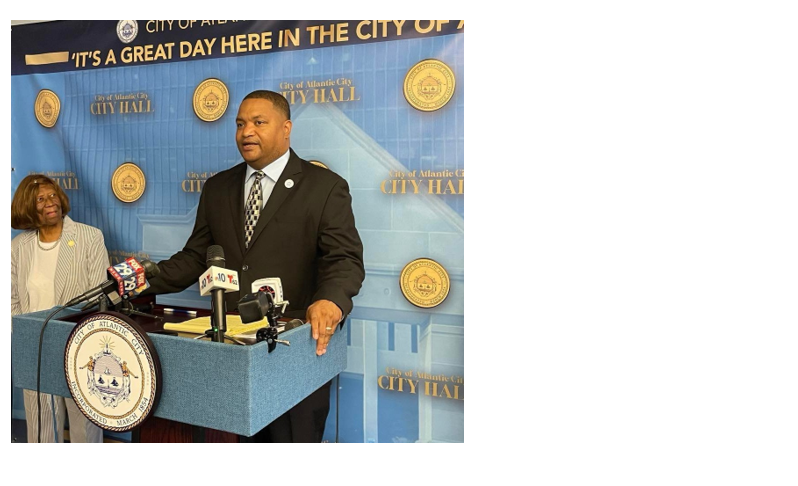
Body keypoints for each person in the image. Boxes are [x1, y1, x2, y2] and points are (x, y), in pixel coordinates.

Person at [145, 90, 365, 442]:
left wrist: (332, 300)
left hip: (295, 351)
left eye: (259, 123)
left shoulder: (324, 187)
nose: (247, 132)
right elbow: (194, 258)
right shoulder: (218, 188)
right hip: (235, 351)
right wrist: (143, 280)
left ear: (286, 127)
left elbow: (344, 259)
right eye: (240, 124)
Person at [11, 174, 110, 443]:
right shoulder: (18, 246)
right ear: (27, 207)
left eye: (52, 195)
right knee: (41, 432)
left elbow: (100, 298)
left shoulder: (89, 237)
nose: (49, 203)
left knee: (84, 432)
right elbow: (12, 301)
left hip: (79, 350)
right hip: (37, 350)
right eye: (40, 199)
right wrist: (25, 338)